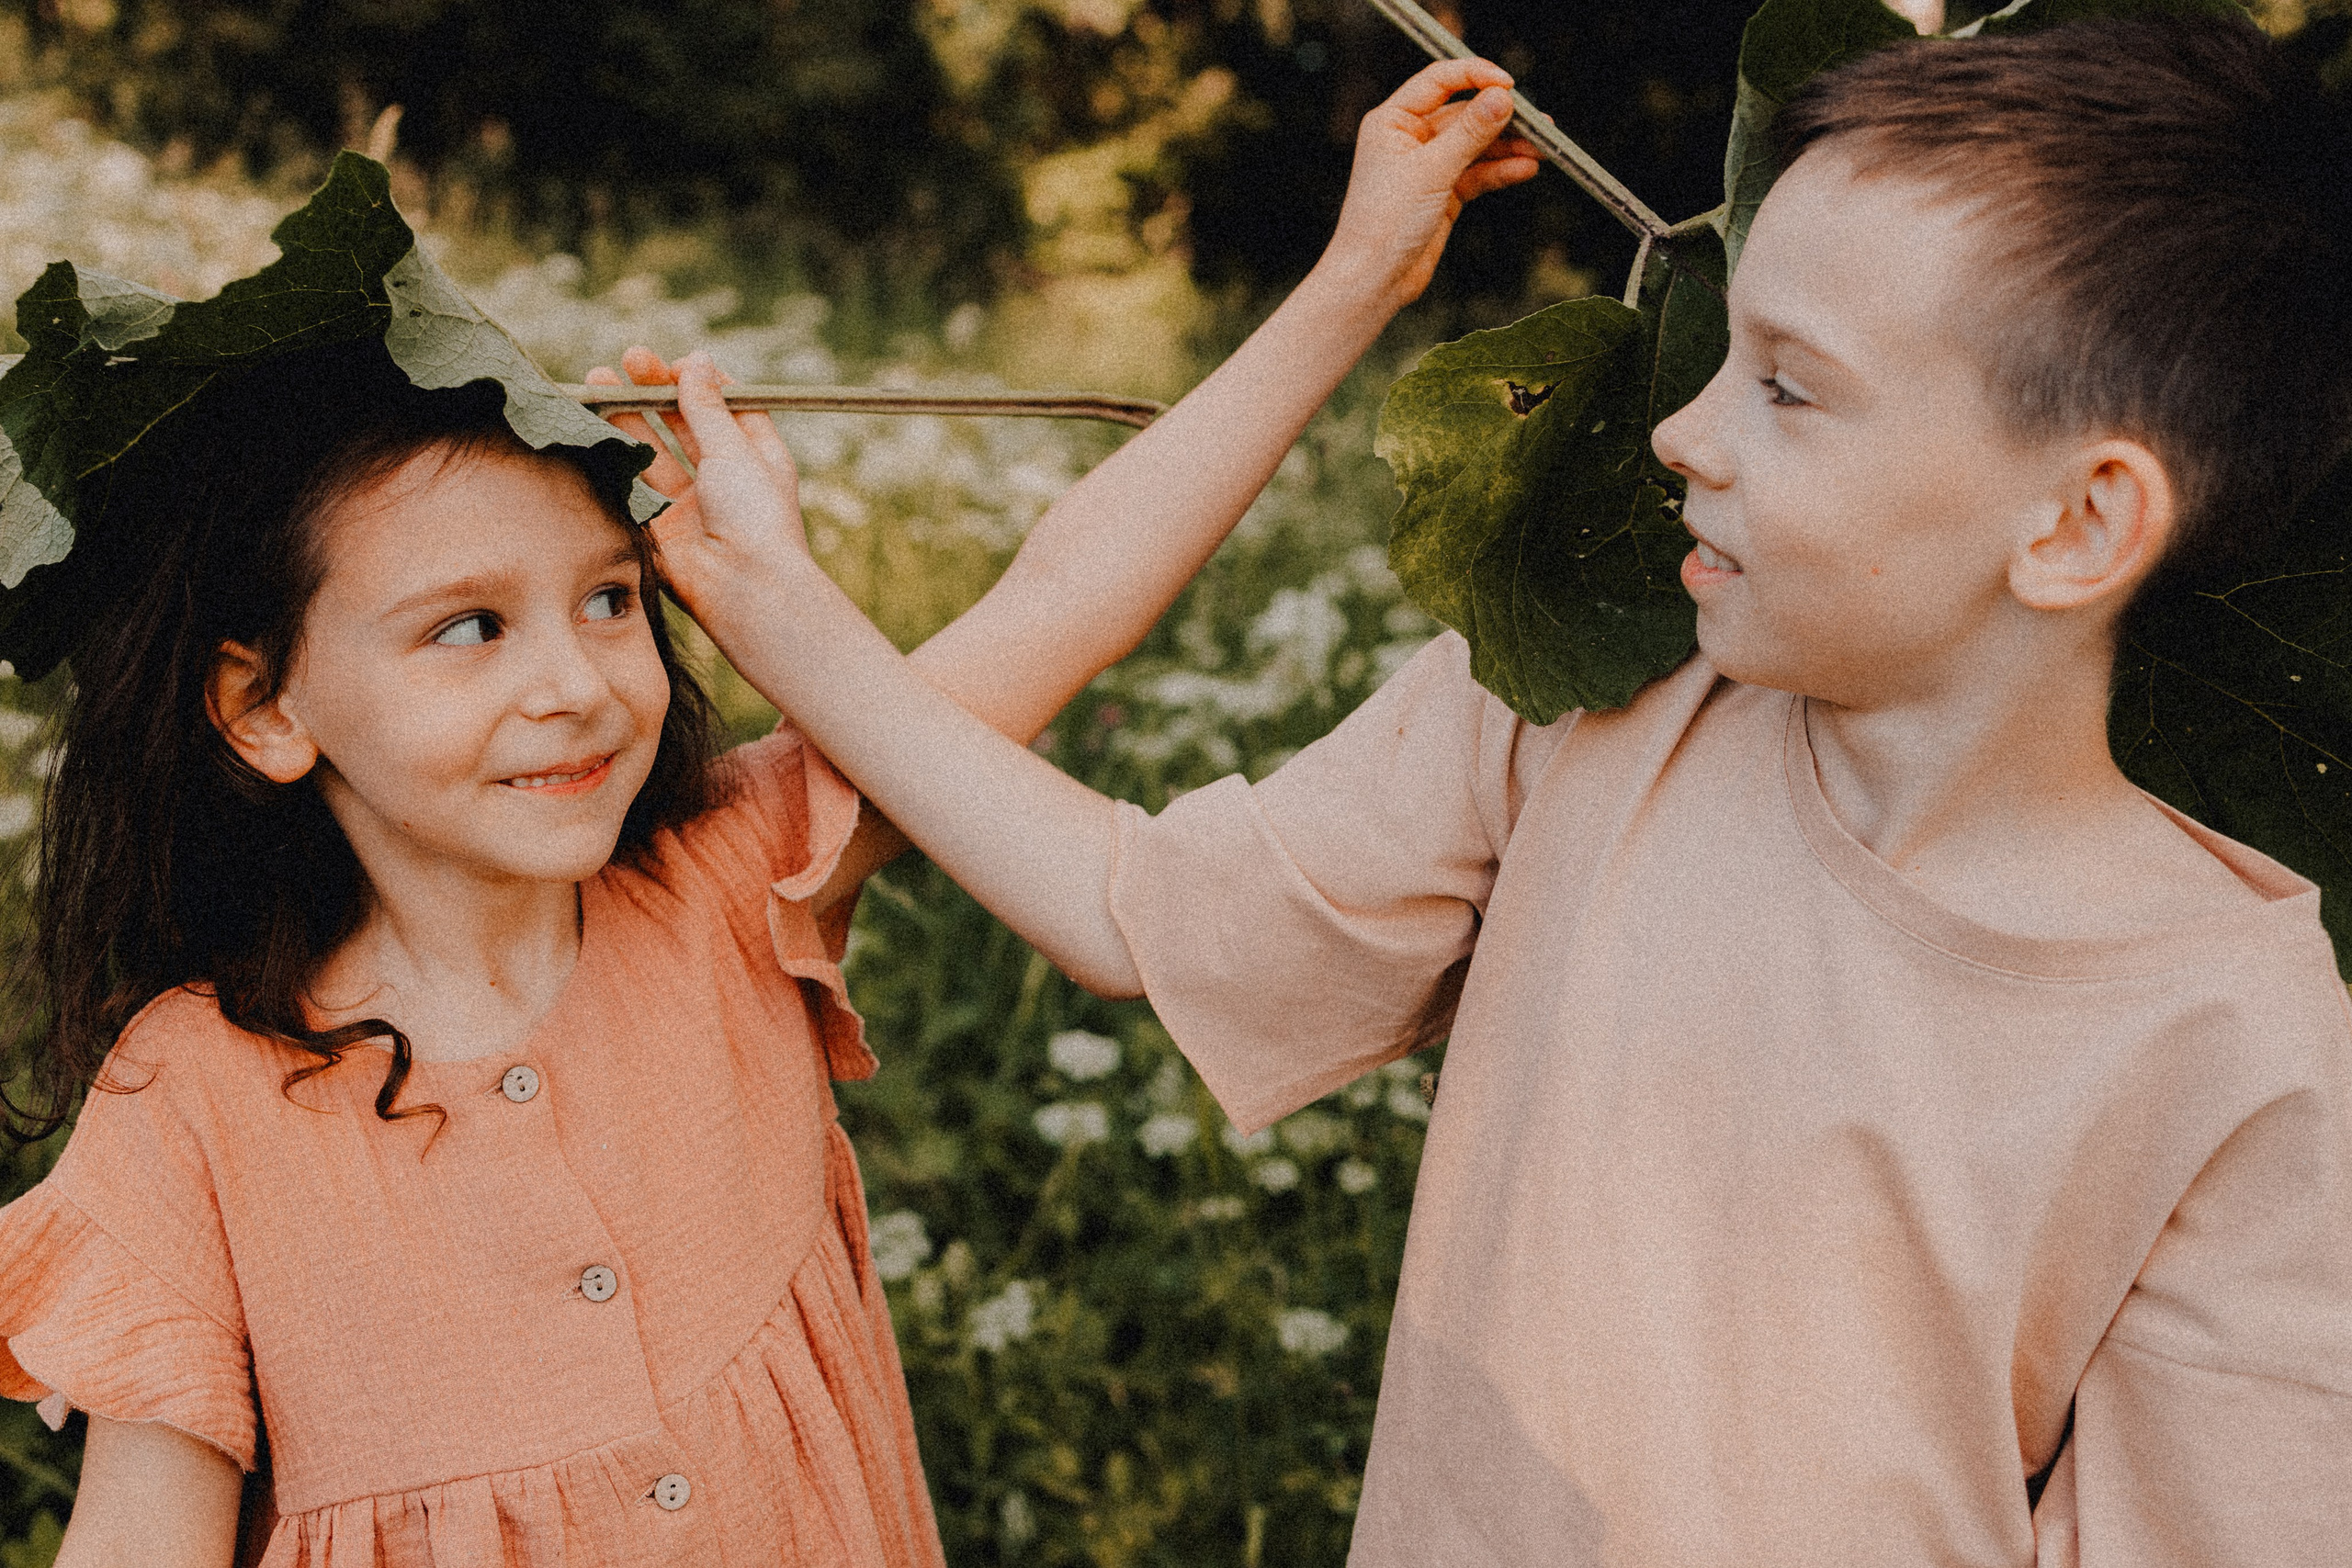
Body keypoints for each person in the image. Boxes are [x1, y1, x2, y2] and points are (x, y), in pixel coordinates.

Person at [641, 15, 2352, 1567]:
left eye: (1786, 385)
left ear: (2079, 525)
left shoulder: (2242, 1047)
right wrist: (783, 614)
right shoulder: (1588, 702)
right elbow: (1130, 908)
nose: (1683, 431)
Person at [0, 59, 1538, 1568]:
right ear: (263, 707)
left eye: (611, 600)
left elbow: (1065, 593)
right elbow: (141, 1537)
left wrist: (1359, 274)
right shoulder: (191, 1097)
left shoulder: (729, 885)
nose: (575, 685)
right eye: (469, 627)